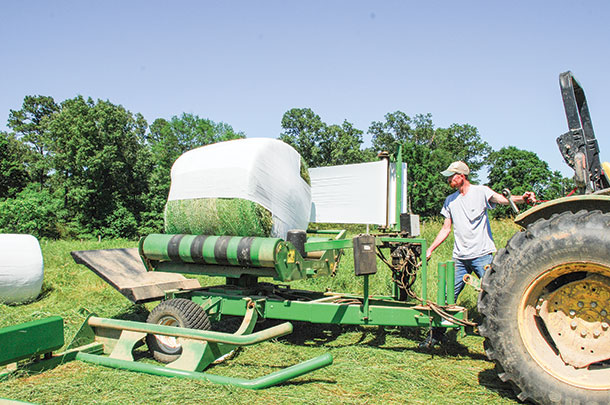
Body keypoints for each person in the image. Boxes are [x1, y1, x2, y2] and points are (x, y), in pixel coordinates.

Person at [419, 161, 536, 349]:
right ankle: (435, 337)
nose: (448, 179)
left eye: (451, 176)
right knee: (447, 297)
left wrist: (522, 198)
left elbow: (502, 199)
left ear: (461, 176)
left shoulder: (481, 192)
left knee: (496, 296)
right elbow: (445, 228)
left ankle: (503, 341)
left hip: (482, 256)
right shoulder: (450, 201)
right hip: (460, 258)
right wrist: (430, 249)